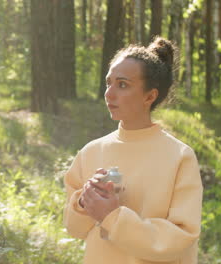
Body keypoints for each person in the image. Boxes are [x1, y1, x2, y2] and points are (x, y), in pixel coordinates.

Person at [63, 37, 203, 264]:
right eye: (109, 83)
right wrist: (84, 202)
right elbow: (74, 228)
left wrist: (113, 218)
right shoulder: (90, 152)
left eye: (123, 84)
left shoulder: (180, 157)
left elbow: (181, 238)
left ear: (150, 96)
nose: (109, 93)